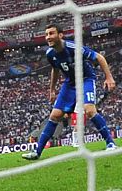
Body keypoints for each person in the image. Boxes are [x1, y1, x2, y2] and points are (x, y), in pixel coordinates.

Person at [22, 24, 117, 160]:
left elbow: (99, 57)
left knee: (89, 110)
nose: (48, 37)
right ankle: (37, 152)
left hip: (85, 79)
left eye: (51, 33)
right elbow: (55, 70)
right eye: (46, 34)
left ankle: (110, 143)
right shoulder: (50, 54)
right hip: (70, 84)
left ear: (60, 35)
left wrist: (109, 77)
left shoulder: (73, 48)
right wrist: (52, 90)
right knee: (55, 115)